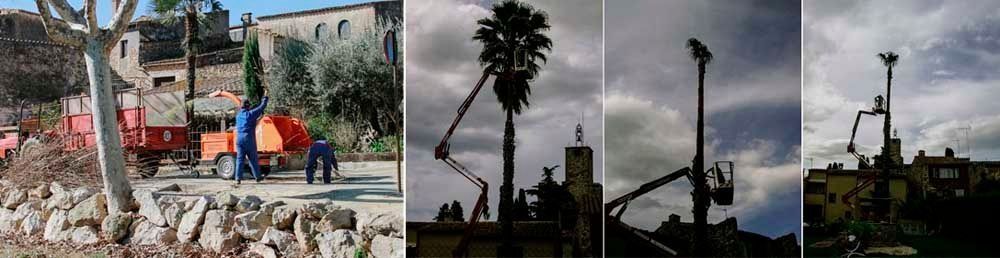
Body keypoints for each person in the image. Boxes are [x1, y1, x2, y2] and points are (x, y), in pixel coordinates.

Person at [234, 92, 268, 184]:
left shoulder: (238, 116)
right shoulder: (251, 114)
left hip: (239, 139)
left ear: (241, 107)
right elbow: (262, 106)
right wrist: (265, 96)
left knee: (240, 159)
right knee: (253, 159)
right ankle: (257, 177)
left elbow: (249, 122)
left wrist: (257, 120)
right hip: (249, 139)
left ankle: (238, 178)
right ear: (248, 107)